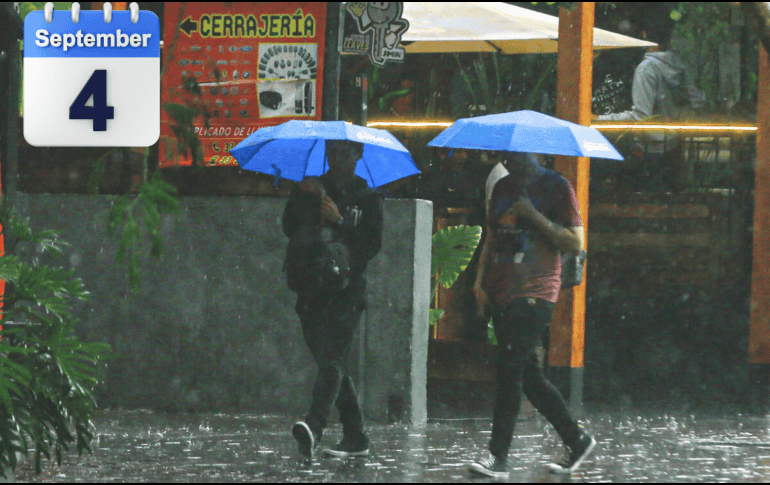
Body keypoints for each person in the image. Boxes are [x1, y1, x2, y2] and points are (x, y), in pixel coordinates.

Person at [469, 152, 595, 479]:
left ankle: (497, 457)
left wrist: (533, 215)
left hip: (536, 290)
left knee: (509, 370)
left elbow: (575, 242)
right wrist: (479, 283)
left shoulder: (556, 187)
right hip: (503, 288)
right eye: (503, 155)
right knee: (529, 376)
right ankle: (576, 438)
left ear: (531, 151)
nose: (507, 159)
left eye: (513, 154)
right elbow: (492, 237)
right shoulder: (502, 187)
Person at [281, 139, 384, 459]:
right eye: (332, 152)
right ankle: (355, 435)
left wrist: (340, 221)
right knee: (331, 362)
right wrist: (303, 199)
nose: (336, 158)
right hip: (311, 288)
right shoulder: (311, 189)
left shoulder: (367, 197)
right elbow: (289, 228)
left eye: (344, 152)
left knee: (332, 361)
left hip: (346, 291)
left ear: (358, 155)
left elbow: (370, 245)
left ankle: (314, 426)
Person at [592, 11, 704, 192]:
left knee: (640, 195)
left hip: (650, 150)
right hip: (674, 146)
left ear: (644, 35)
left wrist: (600, 119)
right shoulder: (680, 65)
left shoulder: (646, 69)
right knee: (667, 198)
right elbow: (696, 102)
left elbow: (641, 115)